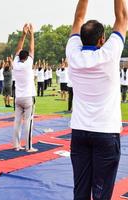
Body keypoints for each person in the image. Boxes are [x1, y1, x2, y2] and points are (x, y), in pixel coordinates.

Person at [66, 0, 128, 199]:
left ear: (81, 38)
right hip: (105, 134)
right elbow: (122, 17)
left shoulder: (73, 54)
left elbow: (78, 17)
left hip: (80, 132)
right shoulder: (108, 55)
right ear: (102, 39)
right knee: (101, 194)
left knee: (80, 191)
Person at [13, 23, 37, 153]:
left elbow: (19, 48)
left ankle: (16, 145)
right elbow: (32, 49)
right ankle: (28, 147)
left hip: (18, 97)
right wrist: (32, 34)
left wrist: (23, 34)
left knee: (17, 122)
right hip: (28, 97)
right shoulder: (28, 63)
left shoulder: (15, 64)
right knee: (28, 122)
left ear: (18, 57)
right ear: (26, 58)